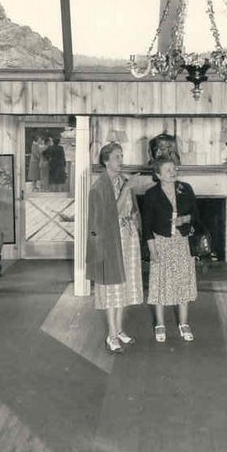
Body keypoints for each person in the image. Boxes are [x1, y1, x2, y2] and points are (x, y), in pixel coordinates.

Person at [86, 142, 144, 354]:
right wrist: (128, 188)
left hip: (127, 239)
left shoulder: (121, 180)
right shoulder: (99, 186)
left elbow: (131, 209)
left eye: (121, 156)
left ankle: (119, 329)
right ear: (105, 161)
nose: (121, 160)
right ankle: (111, 336)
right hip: (110, 241)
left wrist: (135, 224)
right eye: (117, 157)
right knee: (112, 288)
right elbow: (111, 214)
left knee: (124, 286)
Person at [140, 152, 198, 343]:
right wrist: (152, 250)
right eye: (168, 170)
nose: (173, 173)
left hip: (181, 242)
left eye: (174, 169)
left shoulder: (186, 189)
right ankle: (160, 324)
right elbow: (147, 226)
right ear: (158, 175)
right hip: (161, 243)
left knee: (182, 282)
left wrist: (185, 219)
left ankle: (184, 323)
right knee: (160, 284)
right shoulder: (151, 195)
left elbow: (196, 214)